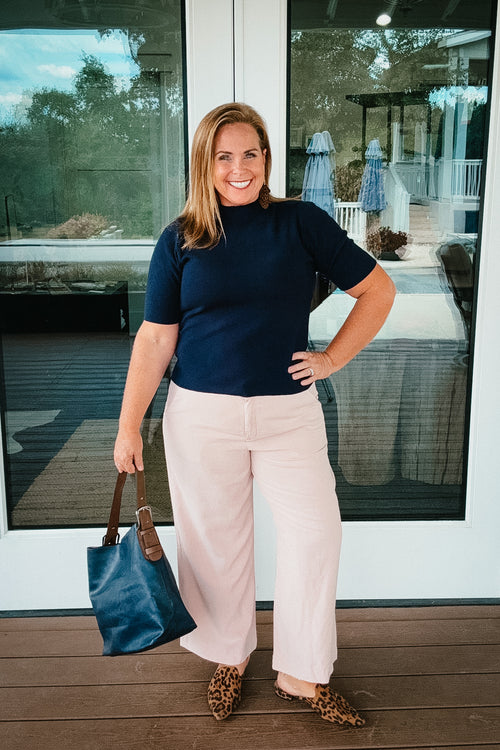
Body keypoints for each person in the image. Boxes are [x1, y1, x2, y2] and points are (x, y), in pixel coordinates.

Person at [114, 102, 396, 726]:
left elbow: (378, 291)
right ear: (205, 164)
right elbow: (156, 338)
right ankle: (228, 657)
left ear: (266, 158)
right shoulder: (181, 237)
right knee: (215, 546)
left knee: (315, 535)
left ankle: (302, 672)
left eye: (251, 154)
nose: (239, 168)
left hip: (287, 415)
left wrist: (330, 360)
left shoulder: (300, 223)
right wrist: (129, 422)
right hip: (201, 418)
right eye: (224, 157)